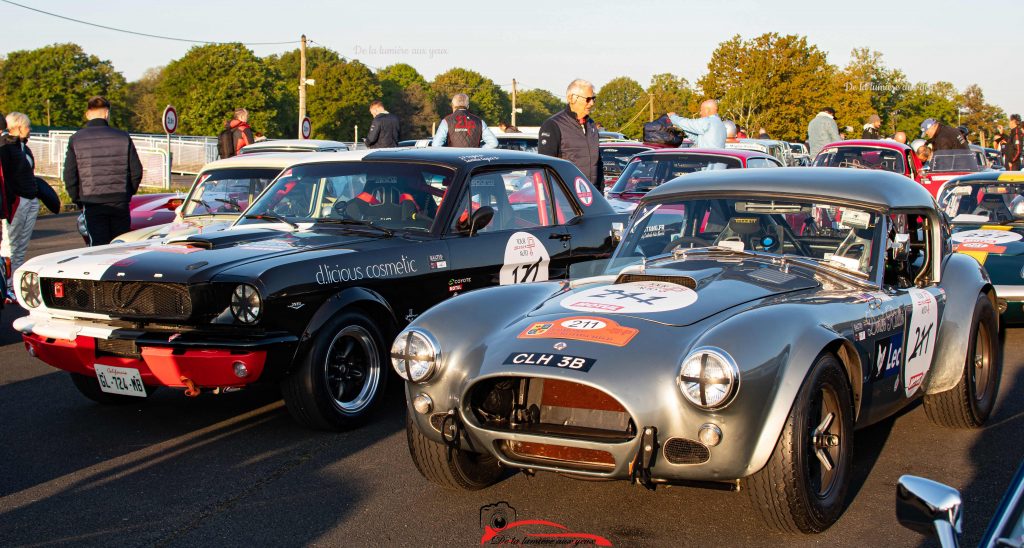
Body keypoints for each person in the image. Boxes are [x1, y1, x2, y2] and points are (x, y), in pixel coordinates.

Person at [63, 96, 143, 246]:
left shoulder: (76, 139)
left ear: (88, 114)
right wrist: (127, 193)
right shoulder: (123, 137)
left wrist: (78, 199)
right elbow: (136, 171)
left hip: (91, 201)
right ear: (107, 114)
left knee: (97, 247)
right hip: (119, 201)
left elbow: (69, 175)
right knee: (121, 245)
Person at [538, 79, 603, 190]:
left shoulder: (592, 125)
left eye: (593, 99)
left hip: (591, 195)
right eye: (588, 99)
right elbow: (545, 167)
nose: (592, 103)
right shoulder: (553, 125)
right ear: (572, 98)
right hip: (566, 196)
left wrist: (600, 194)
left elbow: (598, 164)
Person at [1, 112, 38, 303]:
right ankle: (5, 285)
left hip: (30, 199)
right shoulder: (6, 148)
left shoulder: (25, 148)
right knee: (11, 244)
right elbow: (5, 178)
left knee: (21, 245)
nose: (29, 130)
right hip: (17, 201)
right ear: (16, 127)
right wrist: (12, 199)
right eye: (27, 126)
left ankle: (13, 285)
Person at [431, 93, 498, 149]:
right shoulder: (480, 121)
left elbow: (436, 145)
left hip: (453, 161)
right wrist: (479, 151)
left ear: (452, 105)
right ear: (468, 106)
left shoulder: (446, 121)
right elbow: (494, 143)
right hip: (473, 160)